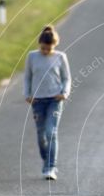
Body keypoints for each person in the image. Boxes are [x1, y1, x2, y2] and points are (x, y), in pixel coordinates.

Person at [24, 25, 71, 180]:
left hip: (55, 99)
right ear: (39, 45)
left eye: (48, 49)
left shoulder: (60, 57)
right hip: (37, 101)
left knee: (51, 132)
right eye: (43, 49)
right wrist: (27, 94)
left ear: (54, 45)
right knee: (41, 135)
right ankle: (47, 160)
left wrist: (64, 93)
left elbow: (66, 78)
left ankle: (50, 167)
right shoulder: (32, 57)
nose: (45, 52)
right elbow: (27, 77)